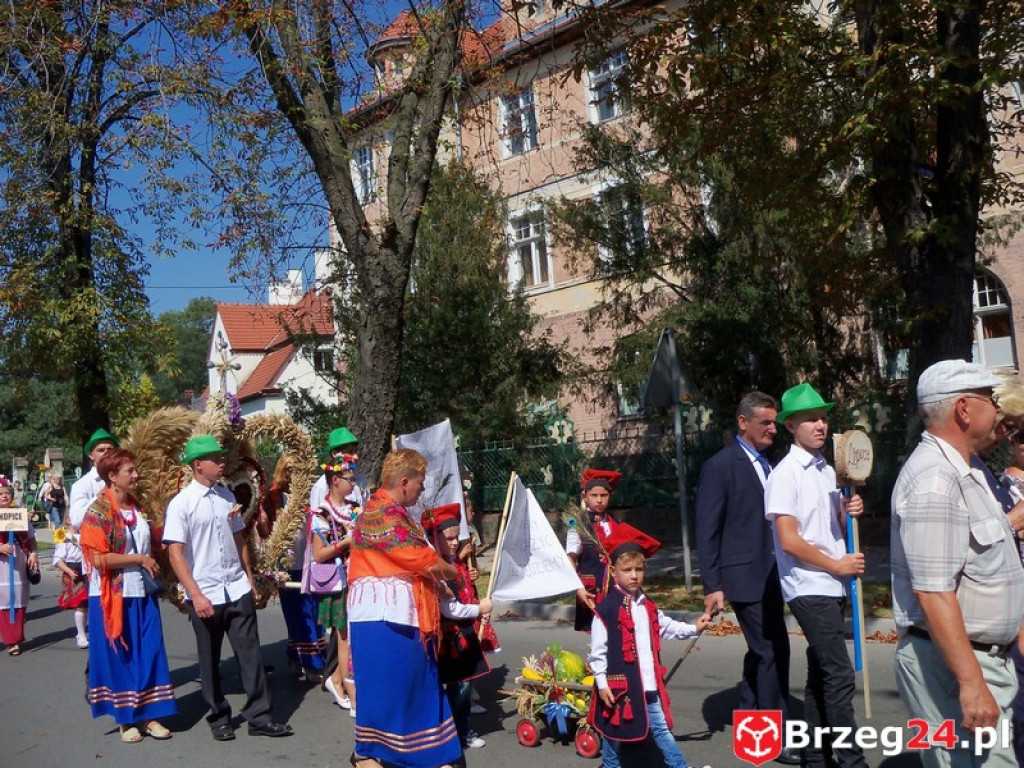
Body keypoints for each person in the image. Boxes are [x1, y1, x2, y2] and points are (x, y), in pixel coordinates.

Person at [892, 360, 1024, 768]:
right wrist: (971, 683)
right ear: (964, 410)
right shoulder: (936, 479)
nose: (998, 413)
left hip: (976, 660)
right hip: (954, 668)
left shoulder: (965, 469)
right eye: (990, 401)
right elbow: (933, 592)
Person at [764, 382, 868, 768]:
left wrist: (849, 509)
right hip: (808, 585)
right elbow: (789, 539)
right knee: (839, 676)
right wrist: (835, 564)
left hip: (834, 582)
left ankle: (815, 757)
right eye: (810, 419)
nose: (820, 425)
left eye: (823, 417)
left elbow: (830, 526)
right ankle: (852, 761)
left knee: (820, 676)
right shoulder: (785, 473)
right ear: (791, 426)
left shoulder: (829, 470)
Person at [164, 434, 292, 742]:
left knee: (250, 654)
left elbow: (239, 538)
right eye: (215, 459)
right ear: (198, 465)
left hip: (235, 589)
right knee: (209, 658)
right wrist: (194, 594)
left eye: (222, 458)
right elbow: (175, 553)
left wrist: (247, 577)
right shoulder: (181, 504)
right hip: (205, 592)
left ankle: (259, 715)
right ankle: (218, 715)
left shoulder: (226, 496)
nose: (222, 463)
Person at [695, 391, 800, 765]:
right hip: (743, 576)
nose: (773, 428)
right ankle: (776, 736)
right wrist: (713, 585)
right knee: (773, 649)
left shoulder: (769, 462)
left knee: (764, 650)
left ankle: (749, 716)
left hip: (772, 572)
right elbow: (707, 530)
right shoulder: (721, 466)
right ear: (744, 423)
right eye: (766, 422)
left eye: (774, 422)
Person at [348, 448, 462, 768]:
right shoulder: (383, 513)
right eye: (420, 482)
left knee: (405, 689)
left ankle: (381, 752)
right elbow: (419, 558)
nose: (422, 489)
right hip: (386, 620)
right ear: (404, 481)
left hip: (388, 617)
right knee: (403, 689)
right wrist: (454, 571)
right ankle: (387, 754)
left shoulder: (386, 510)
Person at [588, 523, 712, 768]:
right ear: (614, 571)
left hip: (650, 685)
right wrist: (602, 684)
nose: (634, 575)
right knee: (614, 736)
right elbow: (597, 653)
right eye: (627, 570)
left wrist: (694, 628)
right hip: (620, 687)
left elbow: (665, 626)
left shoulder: (648, 605)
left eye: (639, 569)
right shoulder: (606, 610)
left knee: (661, 731)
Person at [79, 447, 176, 743]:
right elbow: (97, 559)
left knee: (150, 650)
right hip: (111, 596)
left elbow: (148, 543)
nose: (135, 475)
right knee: (121, 654)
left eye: (134, 469)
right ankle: (126, 719)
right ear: (112, 477)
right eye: (129, 471)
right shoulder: (97, 511)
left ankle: (150, 714)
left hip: (141, 591)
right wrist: (138, 559)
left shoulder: (137, 507)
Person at [422, 502, 494, 751]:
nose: (454, 543)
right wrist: (478, 609)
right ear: (435, 538)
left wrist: (479, 611)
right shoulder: (436, 567)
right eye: (448, 539)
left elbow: (466, 595)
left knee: (465, 683)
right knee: (457, 686)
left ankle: (461, 730)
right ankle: (451, 731)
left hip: (464, 630)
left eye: (456, 538)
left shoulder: (457, 563)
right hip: (447, 638)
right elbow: (449, 608)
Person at [262, 454, 325, 682]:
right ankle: (308, 662)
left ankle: (301, 656)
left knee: (312, 610)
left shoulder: (310, 494)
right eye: (288, 469)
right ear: (281, 470)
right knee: (296, 613)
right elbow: (266, 527)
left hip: (308, 557)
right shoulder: (274, 496)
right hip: (287, 561)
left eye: (296, 469)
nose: (292, 473)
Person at [306, 453, 358, 714]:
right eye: (350, 478)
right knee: (345, 636)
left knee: (351, 636)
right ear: (335, 480)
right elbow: (319, 554)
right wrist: (345, 543)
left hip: (358, 577)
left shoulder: (355, 509)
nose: (354, 482)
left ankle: (336, 678)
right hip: (339, 582)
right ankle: (348, 689)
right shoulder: (322, 514)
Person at [566, 468, 623, 632]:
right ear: (585, 496)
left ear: (610, 497)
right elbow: (571, 559)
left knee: (616, 631)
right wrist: (578, 589)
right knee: (597, 635)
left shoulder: (615, 523)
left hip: (615, 589)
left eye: (603, 496)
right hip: (591, 590)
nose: (599, 500)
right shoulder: (577, 524)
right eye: (594, 495)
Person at [0, 478, 38, 656]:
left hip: (19, 559)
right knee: (5, 598)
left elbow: (30, 537)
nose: (4, 496)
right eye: (1, 494)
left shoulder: (18, 514)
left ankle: (16, 636)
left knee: (19, 595)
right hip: (2, 562)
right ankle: (10, 641)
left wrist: (33, 553)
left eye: (7, 493)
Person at [70, 429, 119, 528]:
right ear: (91, 455)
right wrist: (103, 493)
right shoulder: (81, 485)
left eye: (110, 449)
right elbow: (76, 520)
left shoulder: (125, 478)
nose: (106, 453)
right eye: (100, 450)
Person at [54, 522, 90, 648]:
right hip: (73, 571)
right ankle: (81, 635)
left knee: (89, 603)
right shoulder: (64, 537)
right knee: (81, 604)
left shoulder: (86, 534)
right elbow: (58, 560)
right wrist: (69, 572)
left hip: (88, 569)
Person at [309, 427, 362, 510]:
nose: (356, 457)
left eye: (356, 451)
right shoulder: (322, 487)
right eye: (350, 452)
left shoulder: (361, 480)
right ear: (335, 454)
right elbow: (317, 517)